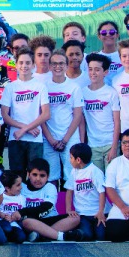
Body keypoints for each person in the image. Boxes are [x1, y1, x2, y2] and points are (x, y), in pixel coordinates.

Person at [1, 49, 50, 173]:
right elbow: (4, 115)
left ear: (33, 65)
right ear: (16, 65)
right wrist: (24, 127)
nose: (24, 66)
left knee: (35, 176)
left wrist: (24, 130)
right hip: (16, 139)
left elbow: (46, 114)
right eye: (21, 62)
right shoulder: (10, 87)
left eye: (28, 63)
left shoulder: (40, 86)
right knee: (17, 176)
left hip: (35, 139)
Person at [41, 50, 84, 185]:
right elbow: (41, 116)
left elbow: (78, 116)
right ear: (49, 66)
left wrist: (65, 140)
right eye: (54, 64)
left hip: (70, 138)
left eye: (61, 63)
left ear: (66, 66)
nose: (57, 66)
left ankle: (68, 206)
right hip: (49, 139)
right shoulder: (44, 87)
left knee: (70, 177)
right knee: (51, 177)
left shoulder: (74, 87)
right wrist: (51, 139)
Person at [18, 159, 79, 242]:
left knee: (75, 218)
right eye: (34, 175)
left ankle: (42, 235)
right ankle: (61, 236)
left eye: (42, 175)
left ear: (48, 176)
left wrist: (23, 212)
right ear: (28, 174)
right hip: (33, 222)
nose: (38, 179)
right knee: (26, 222)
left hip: (50, 219)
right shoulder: (21, 187)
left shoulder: (50, 187)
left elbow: (47, 207)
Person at [82, 53, 121, 172]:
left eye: (97, 69)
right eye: (90, 69)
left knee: (112, 181)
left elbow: (117, 122)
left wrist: (114, 147)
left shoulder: (111, 93)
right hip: (93, 145)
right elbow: (82, 120)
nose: (93, 73)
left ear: (105, 72)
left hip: (110, 144)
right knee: (97, 182)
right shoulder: (82, 92)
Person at [65, 143, 106, 241]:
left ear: (78, 160)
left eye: (71, 158)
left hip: (96, 214)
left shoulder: (95, 171)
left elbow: (102, 192)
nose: (70, 160)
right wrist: (68, 209)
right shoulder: (74, 172)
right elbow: (69, 191)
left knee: (101, 237)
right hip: (82, 214)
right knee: (87, 236)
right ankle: (74, 233)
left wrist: (101, 211)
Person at [0, 171, 26, 244]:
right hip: (2, 221)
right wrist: (2, 215)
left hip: (14, 224)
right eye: (18, 185)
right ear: (7, 188)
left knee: (21, 237)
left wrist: (16, 217)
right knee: (7, 228)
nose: (21, 187)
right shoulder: (0, 197)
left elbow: (23, 213)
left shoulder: (22, 198)